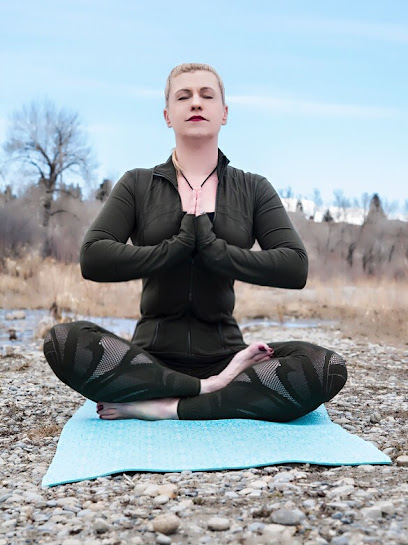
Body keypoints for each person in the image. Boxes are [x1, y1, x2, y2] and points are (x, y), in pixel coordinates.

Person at [43, 63, 347, 422]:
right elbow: (92, 257)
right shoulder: (137, 184)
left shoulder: (253, 188)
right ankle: (207, 391)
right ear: (168, 115)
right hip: (150, 359)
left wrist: (218, 253)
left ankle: (168, 406)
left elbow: (295, 266)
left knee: (327, 367)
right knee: (62, 341)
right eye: (183, 96)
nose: (196, 103)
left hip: (227, 355)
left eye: (207, 95)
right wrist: (175, 247)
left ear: (225, 113)